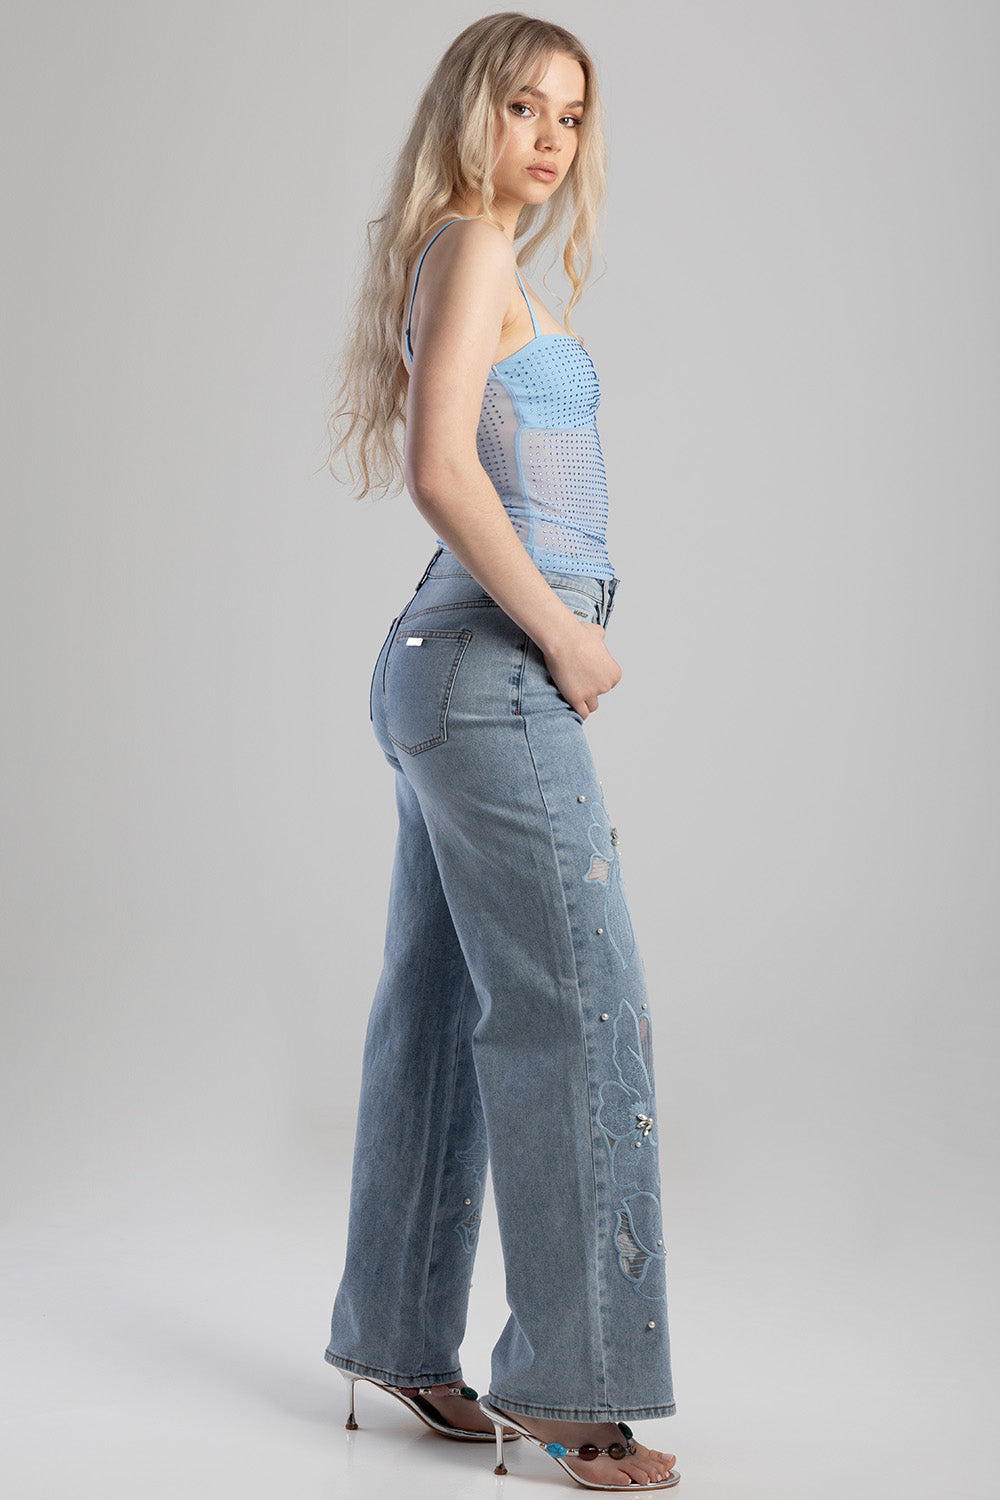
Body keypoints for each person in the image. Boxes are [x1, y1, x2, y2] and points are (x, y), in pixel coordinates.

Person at [322, 13, 679, 1491]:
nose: (548, 138)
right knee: (579, 1010)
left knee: (438, 1009)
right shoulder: (469, 246)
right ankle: (574, 1391)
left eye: (571, 116)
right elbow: (442, 471)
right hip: (487, 665)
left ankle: (400, 1339)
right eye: (523, 106)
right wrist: (568, 639)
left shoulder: (471, 257)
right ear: (469, 115)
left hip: (445, 669)